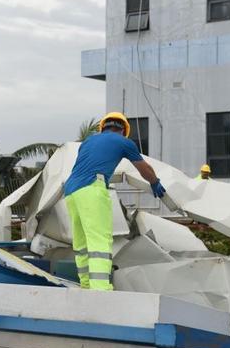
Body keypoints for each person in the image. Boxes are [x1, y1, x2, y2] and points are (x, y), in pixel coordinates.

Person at [64, 112, 165, 291]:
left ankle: (86, 285)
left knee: (81, 244)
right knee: (99, 241)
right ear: (123, 130)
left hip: (71, 191)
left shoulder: (88, 141)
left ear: (103, 127)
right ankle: (100, 289)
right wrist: (155, 182)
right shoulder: (124, 143)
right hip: (92, 189)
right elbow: (144, 169)